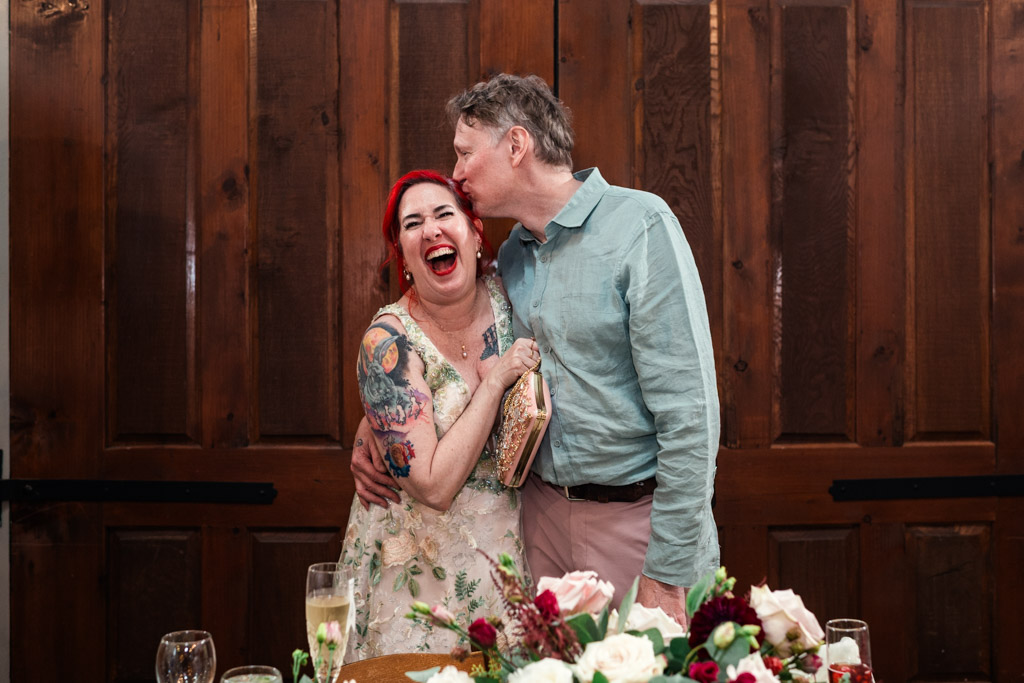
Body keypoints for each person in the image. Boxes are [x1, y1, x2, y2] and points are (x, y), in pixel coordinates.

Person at [352, 74, 720, 629]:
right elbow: (446, 342)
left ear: (517, 146)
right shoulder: (515, 257)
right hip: (535, 525)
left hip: (636, 522)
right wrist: (376, 423)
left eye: (465, 154)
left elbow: (692, 418)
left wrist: (667, 570)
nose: (456, 174)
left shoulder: (640, 227)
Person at [339, 169, 539, 661]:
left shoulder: (517, 300)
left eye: (444, 214)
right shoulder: (386, 343)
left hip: (509, 563)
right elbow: (430, 485)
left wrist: (373, 426)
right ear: (402, 256)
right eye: (412, 223)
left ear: (474, 234)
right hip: (417, 583)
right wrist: (494, 383)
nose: (431, 230)